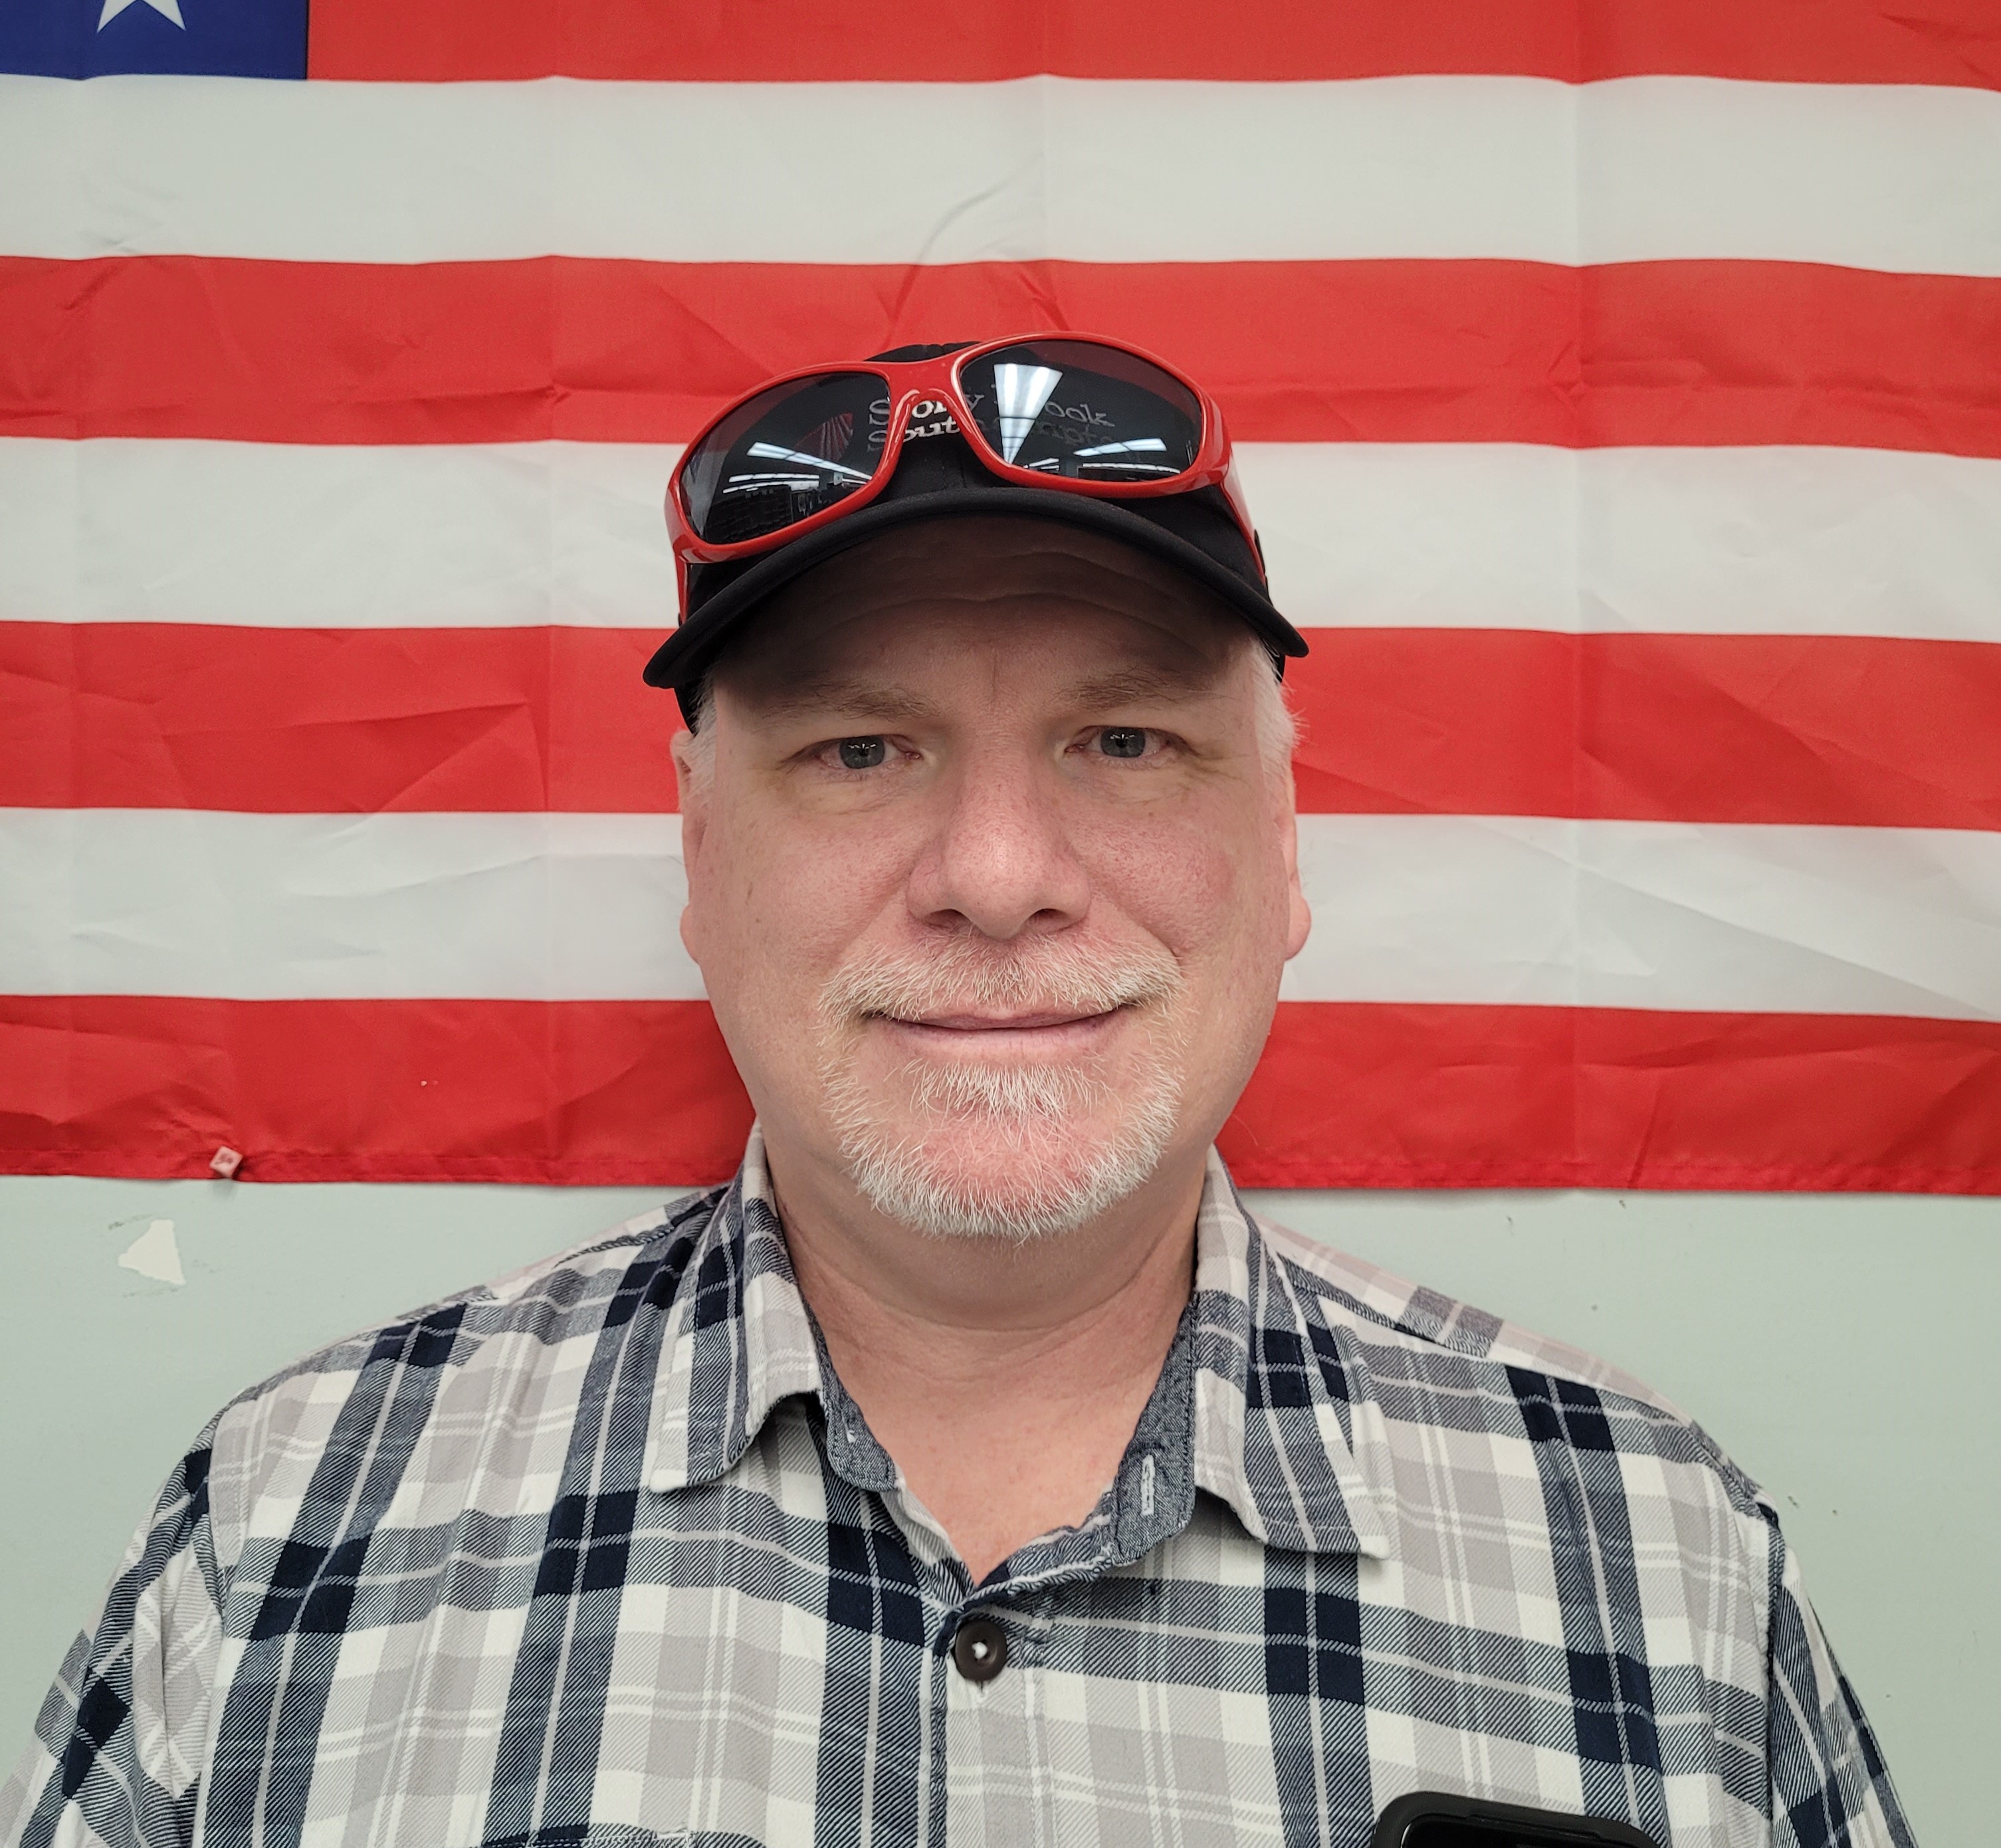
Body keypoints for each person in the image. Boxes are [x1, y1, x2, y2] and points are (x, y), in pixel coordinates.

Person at [2, 340, 1911, 1848]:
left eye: (1125, 738)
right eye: (857, 749)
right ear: (696, 862)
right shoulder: (289, 1532)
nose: (996, 873)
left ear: (1285, 850)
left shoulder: (1649, 1553)